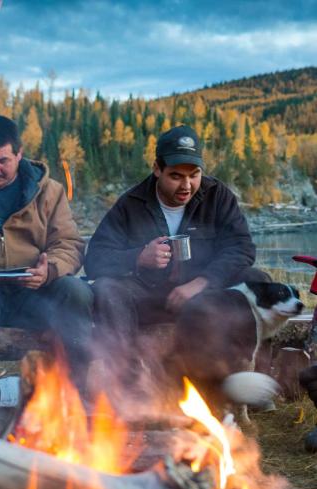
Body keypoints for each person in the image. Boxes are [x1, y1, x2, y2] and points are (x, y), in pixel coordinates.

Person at [85, 124, 269, 386]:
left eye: (194, 175)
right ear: (157, 169)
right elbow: (95, 260)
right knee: (107, 289)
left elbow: (242, 247)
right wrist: (138, 257)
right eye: (175, 176)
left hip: (206, 296)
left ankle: (248, 378)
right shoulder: (132, 203)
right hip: (151, 297)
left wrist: (202, 281)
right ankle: (128, 385)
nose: (186, 185)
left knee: (256, 278)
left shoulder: (217, 196)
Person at [0, 114, 93, 394]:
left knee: (76, 291)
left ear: (19, 153)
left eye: (3, 161)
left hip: (35, 291)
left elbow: (69, 242)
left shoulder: (47, 191)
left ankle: (76, 390)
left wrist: (50, 270)